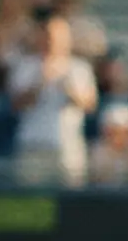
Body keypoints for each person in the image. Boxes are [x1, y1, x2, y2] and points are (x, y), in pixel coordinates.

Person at [8, 13, 96, 185]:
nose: (53, 41)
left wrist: (69, 88)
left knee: (71, 201)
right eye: (49, 35)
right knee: (31, 200)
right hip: (33, 144)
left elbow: (89, 105)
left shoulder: (79, 68)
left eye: (59, 36)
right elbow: (16, 105)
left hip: (68, 147)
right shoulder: (25, 66)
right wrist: (42, 79)